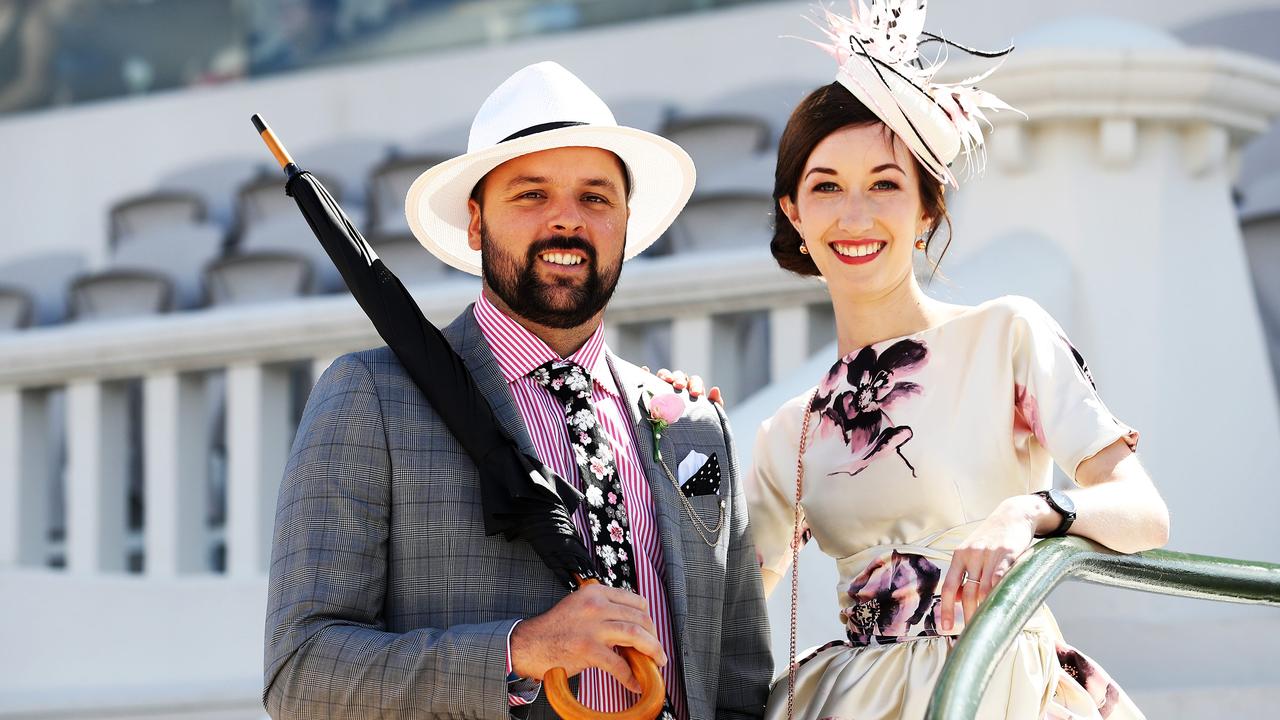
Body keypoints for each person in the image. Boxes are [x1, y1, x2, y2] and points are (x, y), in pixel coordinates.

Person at [263, 61, 772, 719]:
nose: (566, 221)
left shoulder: (694, 427)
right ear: (476, 223)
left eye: (594, 197)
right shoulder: (369, 400)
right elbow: (300, 674)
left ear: (625, 221)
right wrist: (520, 650)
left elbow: (739, 687)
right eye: (531, 195)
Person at [745, 3, 1171, 719]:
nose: (855, 216)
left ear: (926, 211)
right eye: (825, 187)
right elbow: (721, 607)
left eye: (885, 183)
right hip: (853, 701)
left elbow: (1144, 513)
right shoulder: (792, 430)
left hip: (999, 682)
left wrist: (1026, 513)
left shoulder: (1007, 336)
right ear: (794, 212)